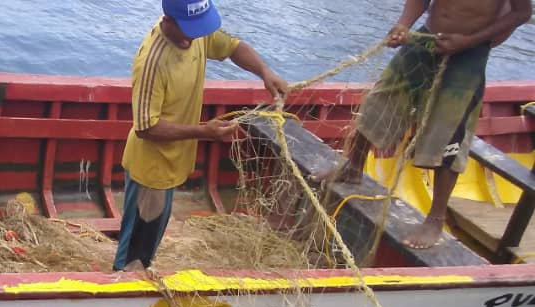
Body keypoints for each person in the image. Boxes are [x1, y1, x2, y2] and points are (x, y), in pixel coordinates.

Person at [327, 0, 531, 249]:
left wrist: (469, 41)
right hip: (426, 37)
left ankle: (435, 218)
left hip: (469, 52)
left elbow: (522, 13)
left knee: (448, 131)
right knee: (380, 101)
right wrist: (403, 25)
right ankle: (353, 166)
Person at [115, 0, 288, 271]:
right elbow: (146, 127)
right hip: (152, 171)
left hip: (174, 162)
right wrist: (204, 131)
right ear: (168, 21)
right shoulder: (152, 61)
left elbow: (233, 47)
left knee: (152, 237)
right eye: (189, 29)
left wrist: (265, 72)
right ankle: (123, 293)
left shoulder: (194, 34)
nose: (196, 36)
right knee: (135, 254)